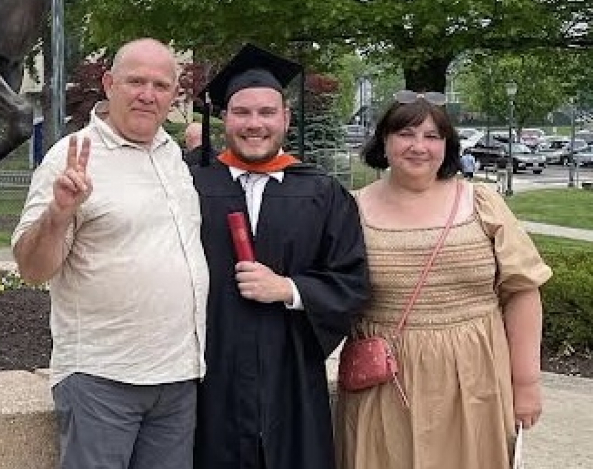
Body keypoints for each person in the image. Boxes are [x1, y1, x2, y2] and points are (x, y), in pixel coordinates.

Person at [11, 38, 209, 469]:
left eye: (161, 85)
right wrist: (59, 214)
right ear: (108, 84)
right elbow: (31, 269)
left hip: (176, 379)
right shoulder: (72, 156)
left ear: (175, 95)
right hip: (103, 380)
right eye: (135, 81)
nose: (147, 94)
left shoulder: (171, 154)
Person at [335, 90, 552, 469]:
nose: (419, 146)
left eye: (432, 136)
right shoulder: (349, 210)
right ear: (383, 141)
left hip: (477, 378)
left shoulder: (481, 203)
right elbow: (326, 291)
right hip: (385, 383)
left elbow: (523, 291)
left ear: (447, 146)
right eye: (406, 134)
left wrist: (527, 383)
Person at [190, 43, 371, 469]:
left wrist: (289, 289)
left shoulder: (322, 193)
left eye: (267, 112)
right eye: (242, 112)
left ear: (285, 119)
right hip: (209, 374)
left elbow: (352, 279)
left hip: (288, 372)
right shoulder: (190, 188)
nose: (255, 124)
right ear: (224, 118)